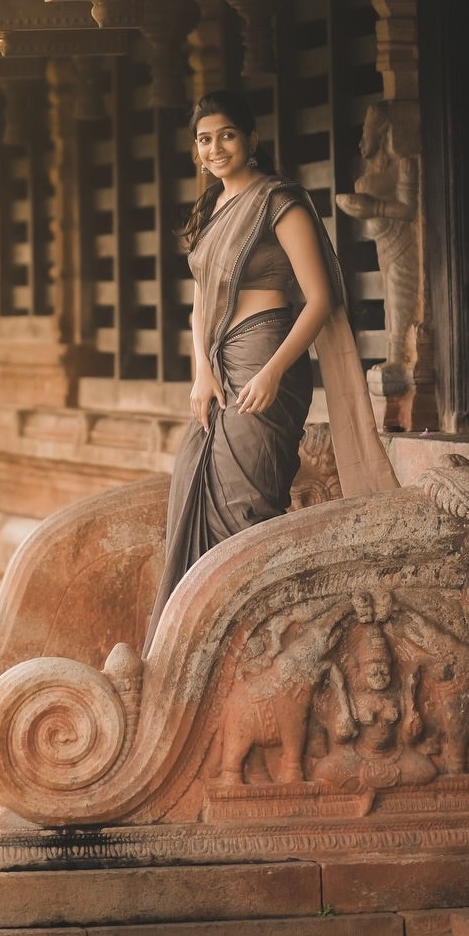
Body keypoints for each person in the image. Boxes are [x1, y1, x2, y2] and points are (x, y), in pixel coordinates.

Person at [145, 90, 398, 642]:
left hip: (265, 355)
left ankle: (256, 639)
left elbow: (321, 297)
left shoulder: (277, 201)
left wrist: (274, 371)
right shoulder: (211, 208)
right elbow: (199, 302)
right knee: (193, 488)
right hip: (217, 367)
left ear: (250, 139)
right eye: (205, 139)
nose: (216, 148)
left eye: (227, 135)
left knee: (245, 503)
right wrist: (201, 373)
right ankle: (201, 640)